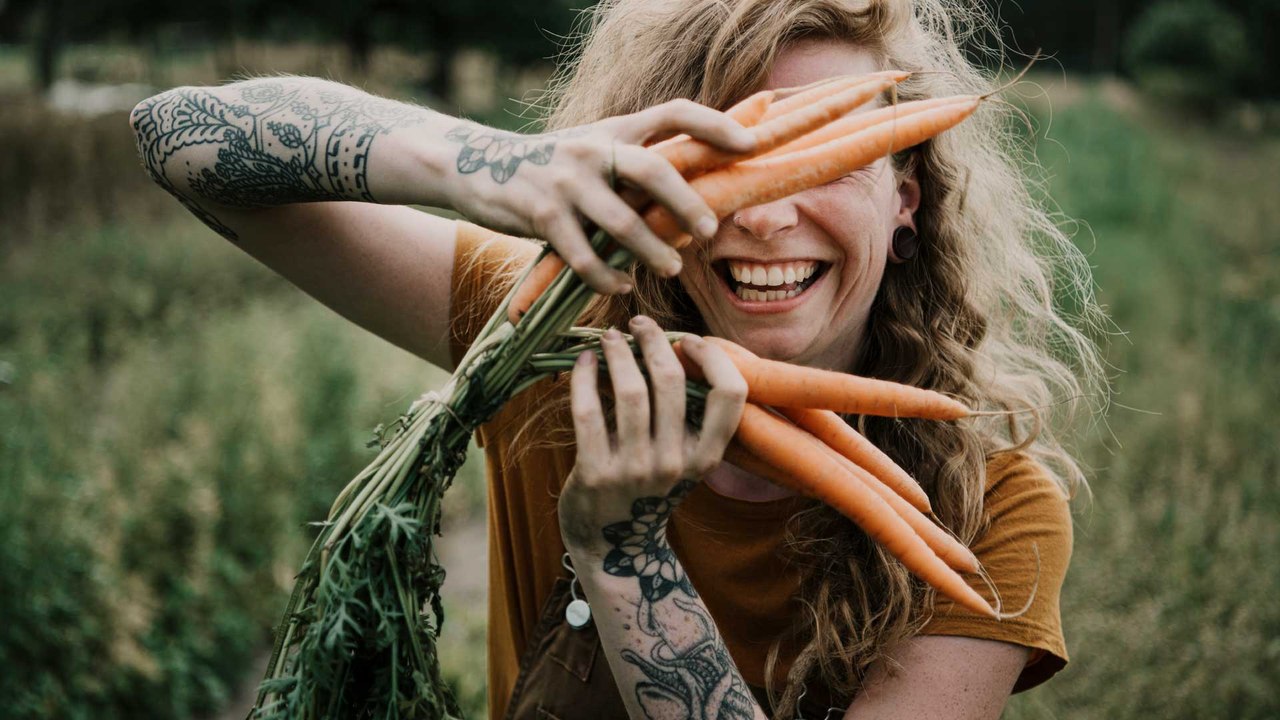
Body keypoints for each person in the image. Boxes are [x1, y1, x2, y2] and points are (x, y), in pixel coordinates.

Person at [131, 0, 1104, 717]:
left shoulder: (989, 511)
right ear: (645, 174)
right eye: (723, 162)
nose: (766, 216)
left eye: (834, 159)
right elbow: (174, 135)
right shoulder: (547, 333)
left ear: (905, 202)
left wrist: (626, 559)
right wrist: (489, 164)